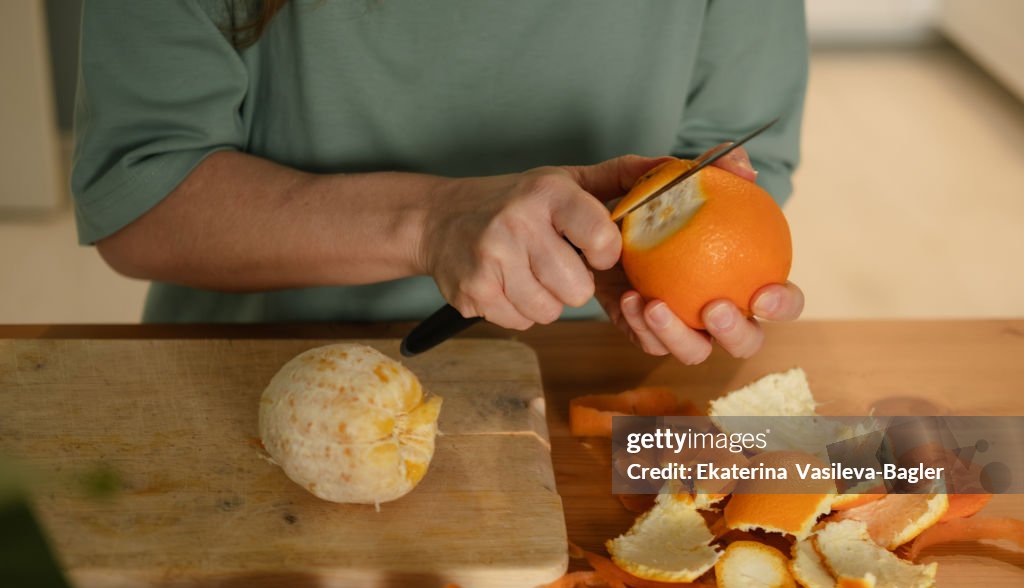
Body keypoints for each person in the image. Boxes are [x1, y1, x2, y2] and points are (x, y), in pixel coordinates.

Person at [72, 0, 807, 364]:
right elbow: (142, 191)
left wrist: (665, 279)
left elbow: (746, 174)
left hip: (588, 374)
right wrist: (433, 222)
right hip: (254, 363)